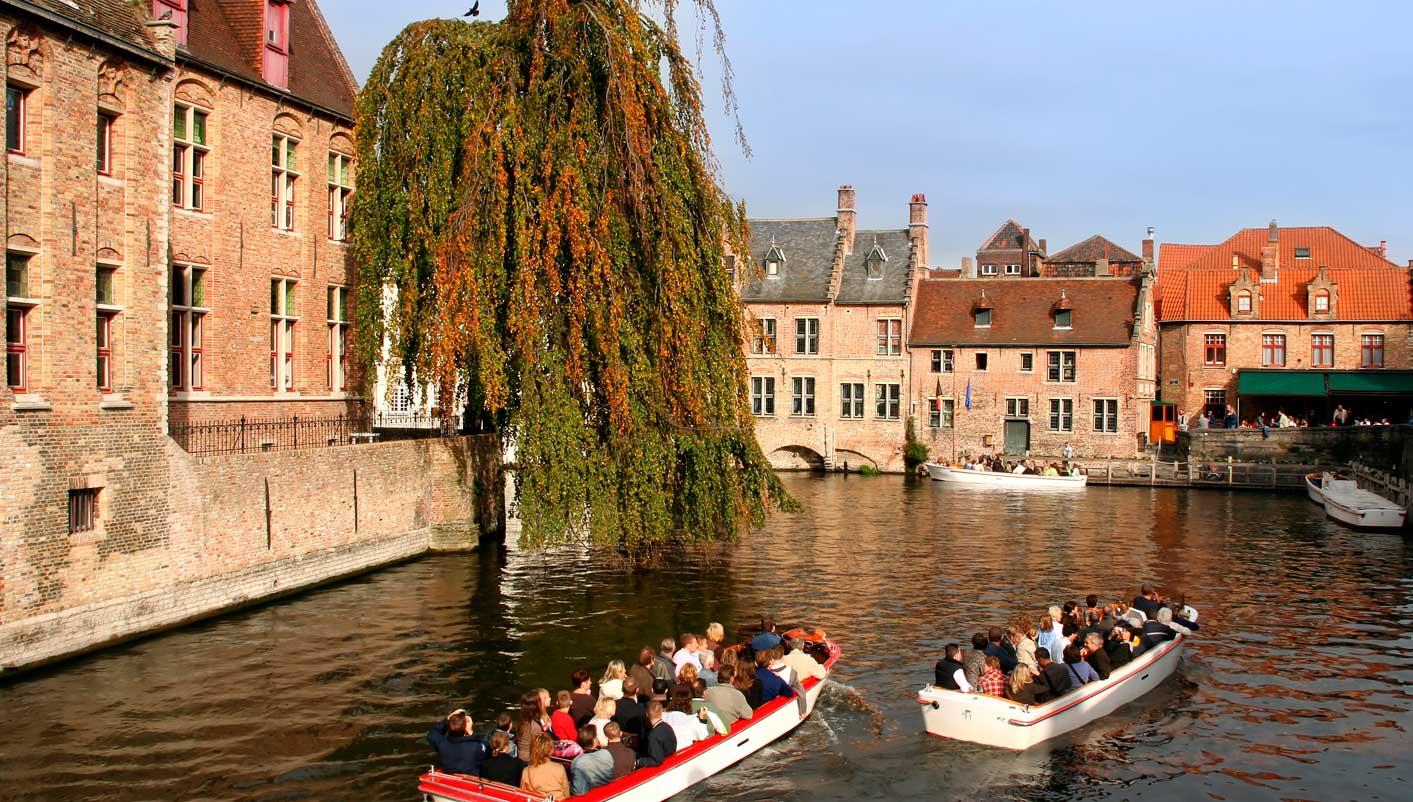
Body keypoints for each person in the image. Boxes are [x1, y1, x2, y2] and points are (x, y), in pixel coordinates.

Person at [426, 709, 489, 776]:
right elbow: (489, 749)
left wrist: (448, 719)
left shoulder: (441, 743)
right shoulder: (476, 746)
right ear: (466, 729)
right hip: (471, 777)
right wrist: (471, 732)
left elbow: (432, 733)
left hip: (448, 773)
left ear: (448, 728)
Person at [519, 733, 570, 799]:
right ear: (550, 750)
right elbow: (566, 794)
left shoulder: (526, 771)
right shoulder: (559, 768)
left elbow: (524, 795)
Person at [568, 725, 614, 795]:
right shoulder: (606, 753)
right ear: (594, 740)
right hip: (608, 793)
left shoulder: (578, 761)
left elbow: (578, 791)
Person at [661, 687, 709, 752]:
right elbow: (702, 737)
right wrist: (703, 719)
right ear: (689, 703)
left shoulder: (661, 716)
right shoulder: (692, 719)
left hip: (664, 754)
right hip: (684, 755)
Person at [636, 700, 677, 767]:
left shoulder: (653, 735)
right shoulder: (667, 727)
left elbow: (656, 760)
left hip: (662, 768)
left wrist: (638, 762)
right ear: (661, 713)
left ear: (647, 714)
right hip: (671, 763)